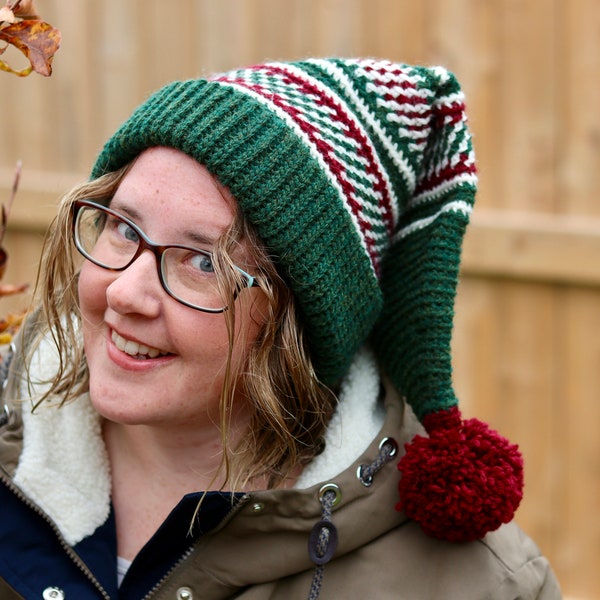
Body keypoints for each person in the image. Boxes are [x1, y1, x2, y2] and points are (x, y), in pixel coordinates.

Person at [0, 58, 560, 599]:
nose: (123, 291)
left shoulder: (475, 586)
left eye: (203, 262)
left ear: (299, 322)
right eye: (123, 228)